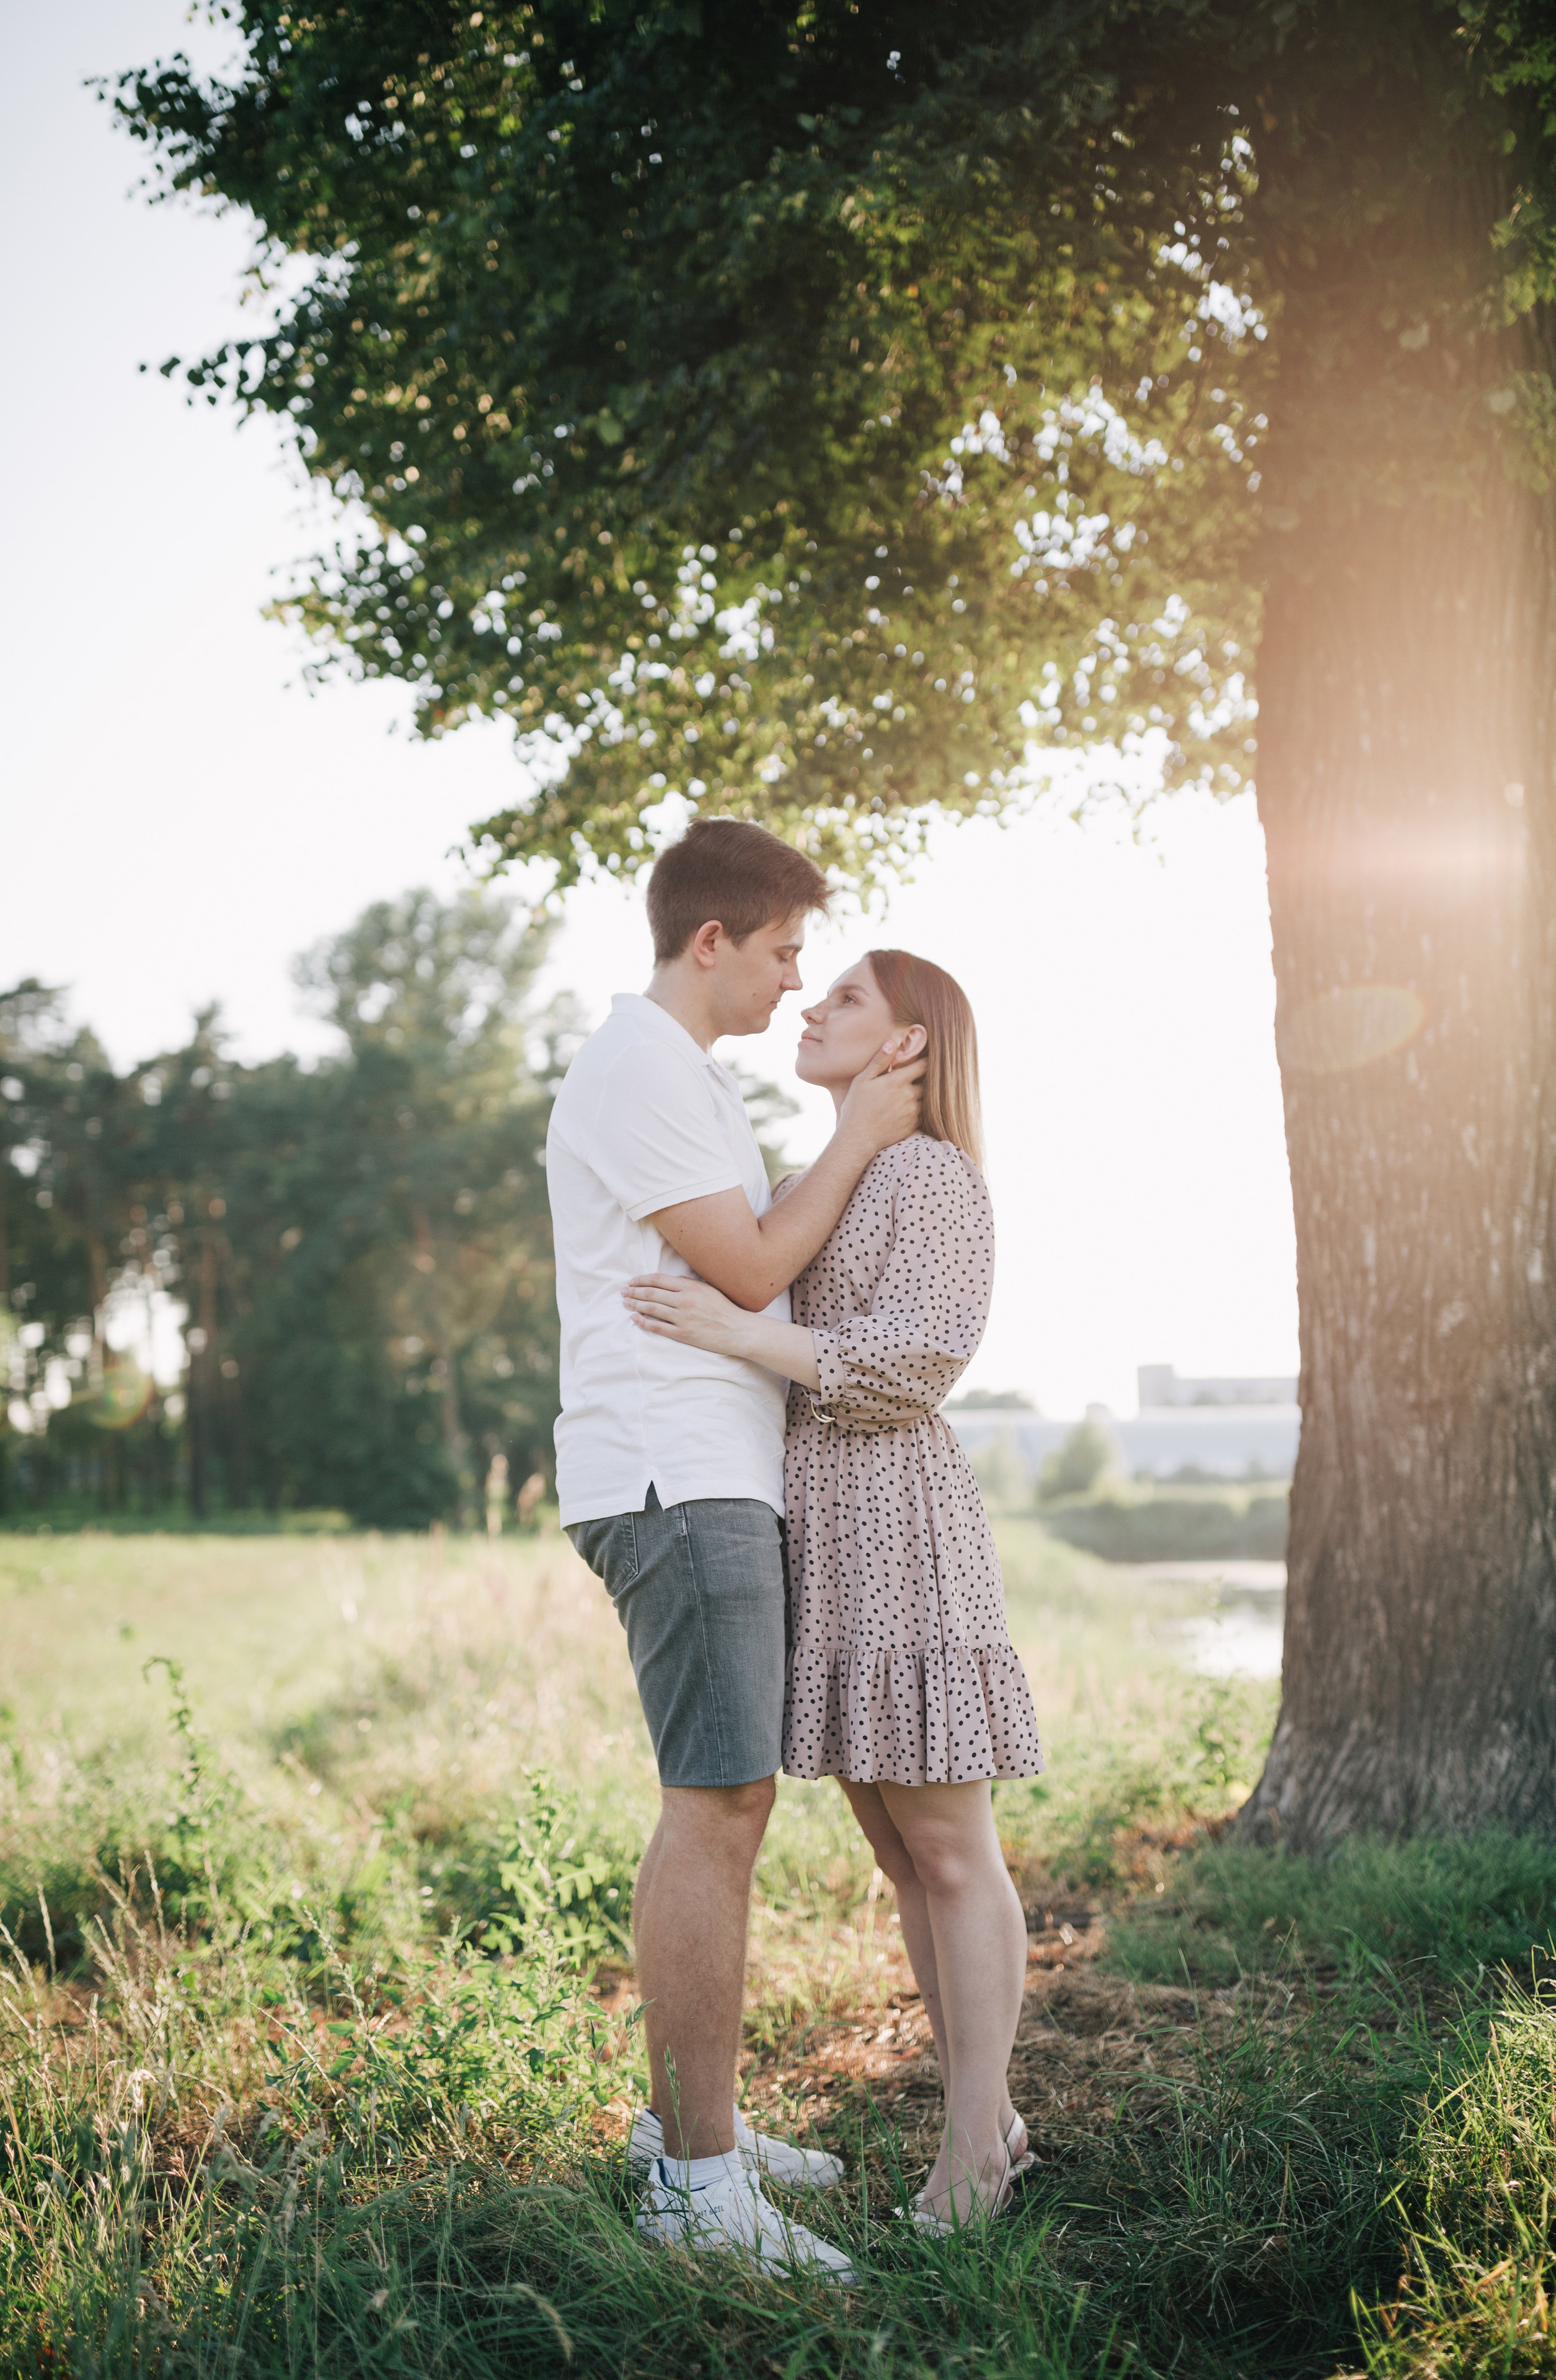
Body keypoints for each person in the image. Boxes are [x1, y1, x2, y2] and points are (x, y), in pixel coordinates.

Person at [547, 818, 924, 2279]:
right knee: (717, 1805)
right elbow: (756, 1265)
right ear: (712, 941)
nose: (789, 983)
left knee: (729, 1798)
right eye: (779, 953)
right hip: (671, 1475)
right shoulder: (638, 1066)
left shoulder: (682, 1077)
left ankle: (687, 2126)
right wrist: (859, 1136)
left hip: (710, 1470)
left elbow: (750, 1261)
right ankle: (698, 2191)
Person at [625, 948, 1044, 2232]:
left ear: (910, 1044)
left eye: (846, 996)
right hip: (828, 1532)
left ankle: (977, 2146)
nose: (811, 1007)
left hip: (898, 1527)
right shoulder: (847, 1171)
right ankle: (988, 2117)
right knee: (901, 1848)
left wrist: (745, 1331)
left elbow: (918, 1359)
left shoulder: (928, 1173)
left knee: (949, 1850)